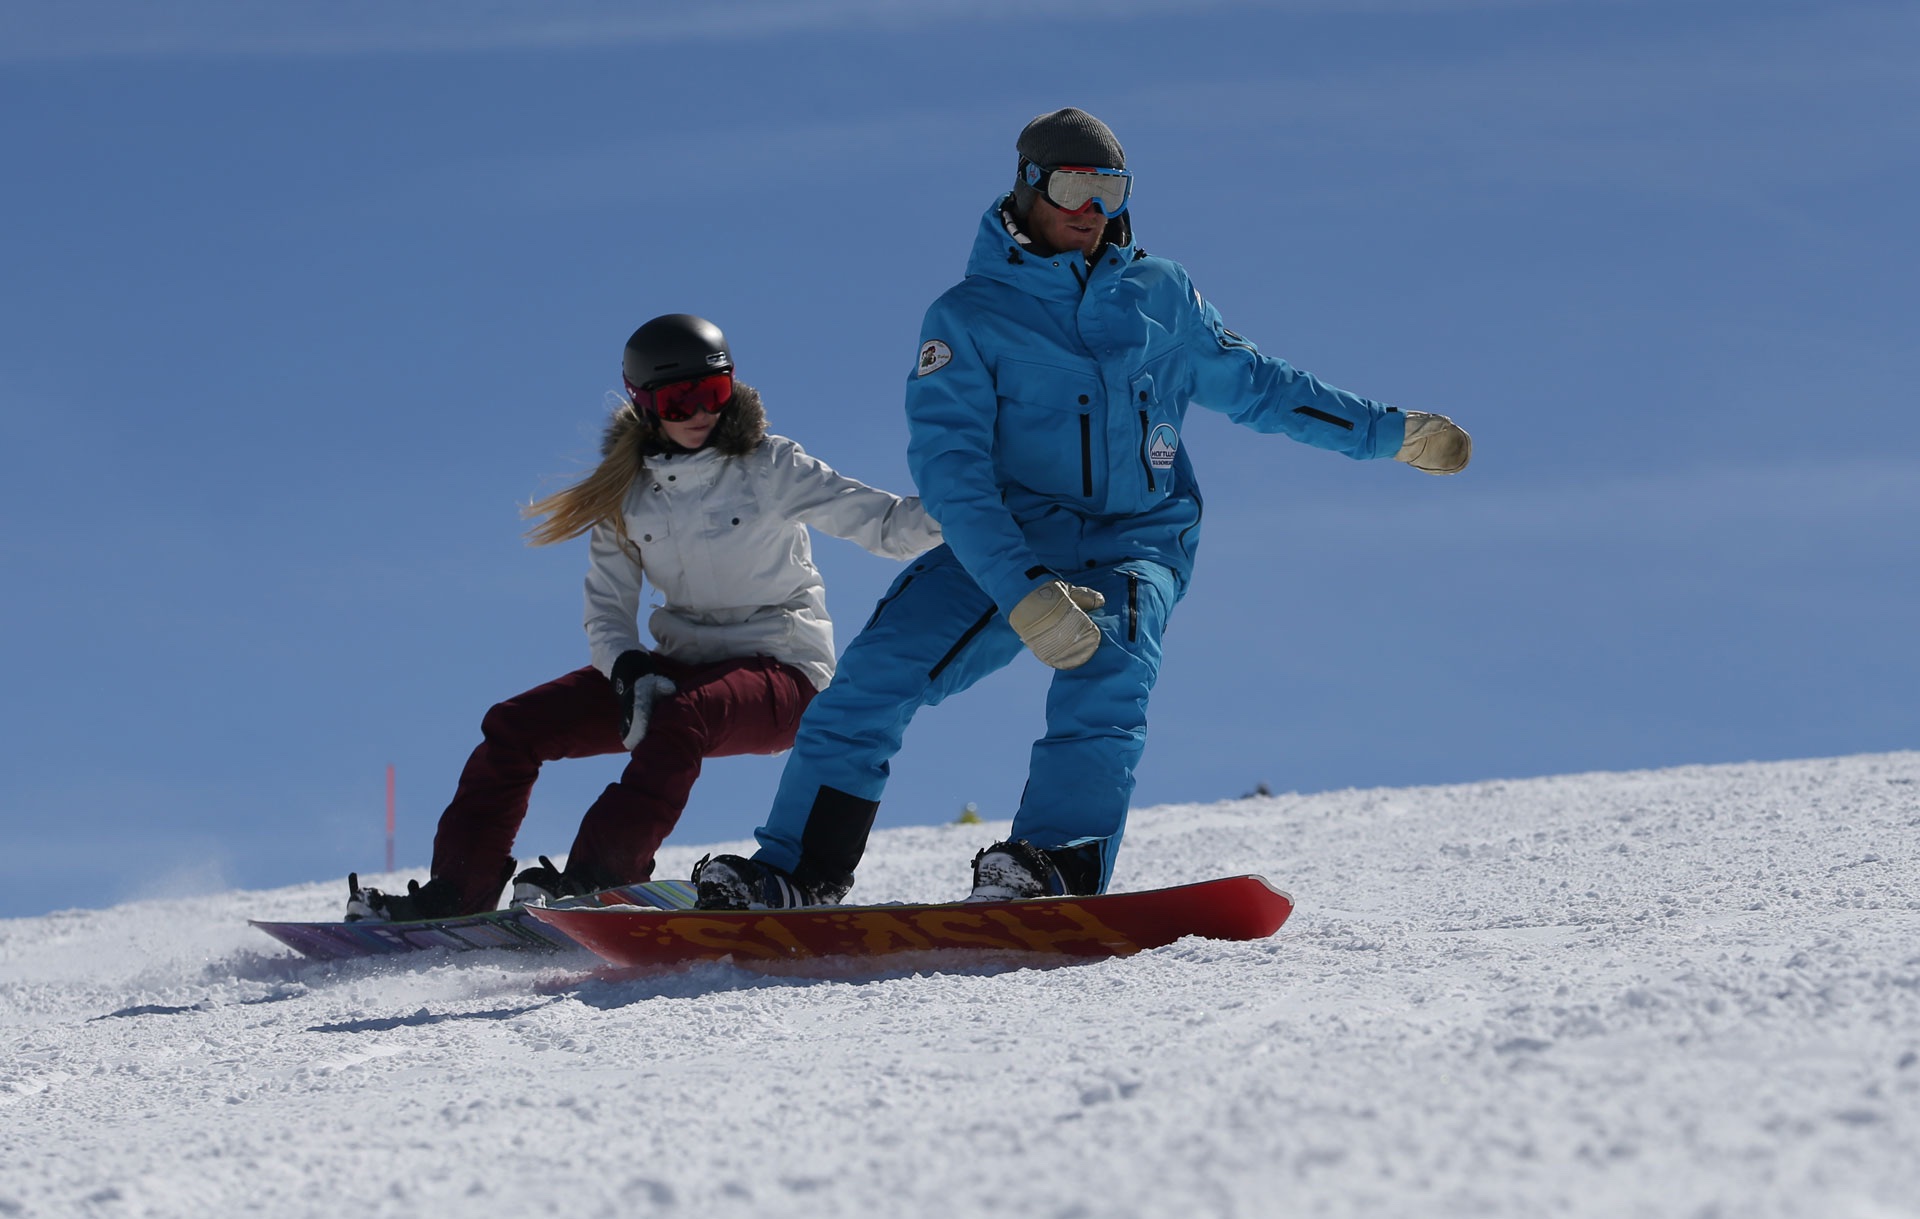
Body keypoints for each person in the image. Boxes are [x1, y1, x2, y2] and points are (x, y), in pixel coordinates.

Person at [691, 108, 1470, 911]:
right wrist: (1023, 587)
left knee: (1109, 664)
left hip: (1135, 540)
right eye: (1073, 185)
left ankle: (1052, 859)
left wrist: (1388, 433)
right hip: (1006, 543)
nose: (1091, 207)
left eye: (1109, 190)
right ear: (1028, 186)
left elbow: (1261, 386)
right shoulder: (968, 317)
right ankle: (796, 869)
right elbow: (951, 469)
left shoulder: (1161, 296)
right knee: (875, 675)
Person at [347, 313, 942, 921]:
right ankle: (459, 891)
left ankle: (603, 878)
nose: (697, 414)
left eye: (711, 394)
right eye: (677, 400)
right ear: (644, 404)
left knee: (684, 713)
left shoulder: (770, 466)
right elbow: (607, 608)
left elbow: (888, 526)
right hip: (679, 668)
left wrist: (976, 506)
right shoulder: (627, 493)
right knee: (515, 725)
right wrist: (627, 666)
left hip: (781, 674)